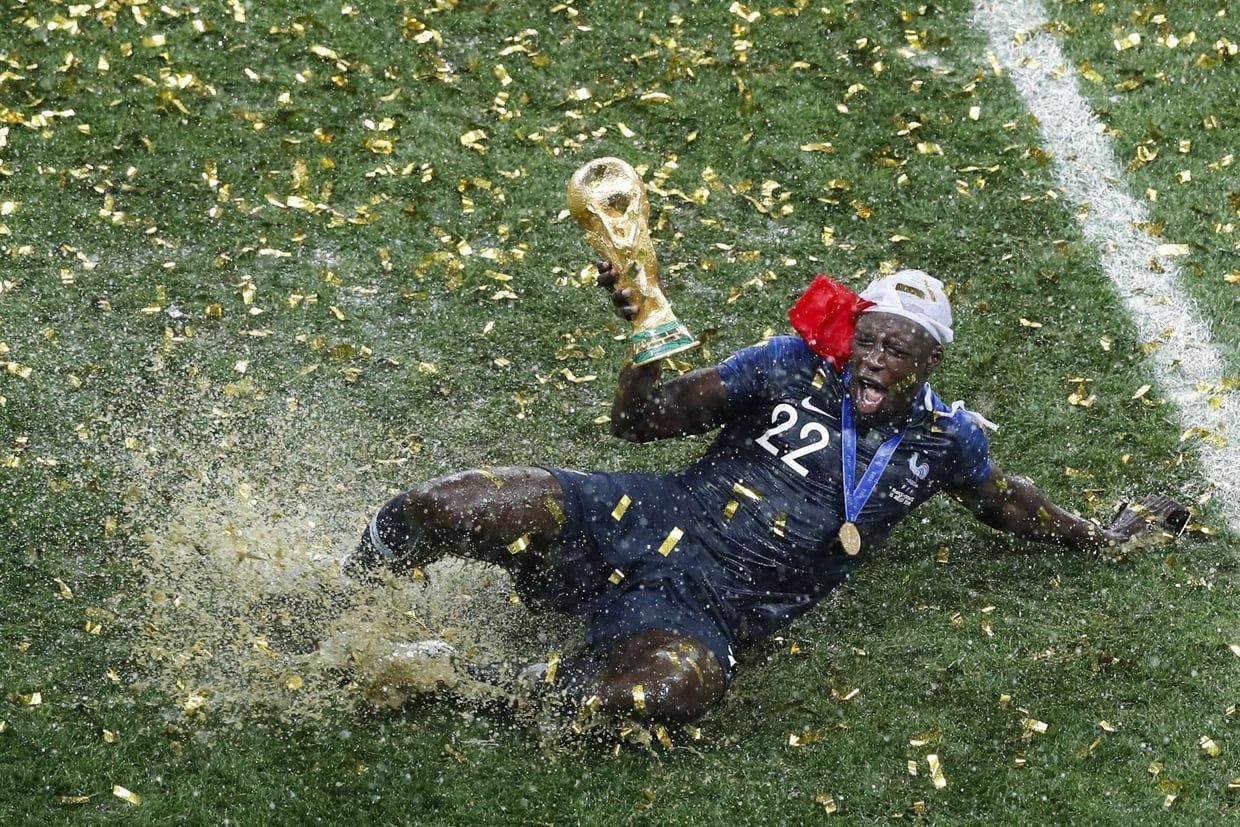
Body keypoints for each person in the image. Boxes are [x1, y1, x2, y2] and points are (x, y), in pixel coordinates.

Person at [342, 264, 1187, 727]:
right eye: (873, 340)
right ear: (855, 330)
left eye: (903, 352)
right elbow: (641, 423)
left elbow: (1006, 500)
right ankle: (341, 593)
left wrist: (1102, 538)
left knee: (669, 693)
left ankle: (473, 683)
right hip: (639, 519)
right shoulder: (789, 361)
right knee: (450, 500)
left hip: (713, 607)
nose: (879, 361)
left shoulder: (942, 440)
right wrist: (645, 338)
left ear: (930, 364)